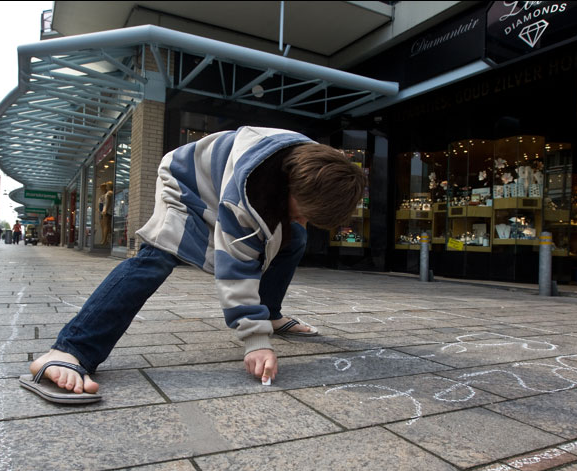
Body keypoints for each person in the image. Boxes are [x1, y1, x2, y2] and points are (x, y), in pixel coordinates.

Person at [20, 126, 365, 404]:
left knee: (296, 238)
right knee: (158, 256)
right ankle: (71, 349)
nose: (302, 217)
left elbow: (282, 225)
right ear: (291, 184)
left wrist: (294, 222)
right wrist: (255, 340)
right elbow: (236, 268)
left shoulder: (314, 164)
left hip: (225, 178)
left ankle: (270, 312)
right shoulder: (250, 192)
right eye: (301, 210)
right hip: (186, 182)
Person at [99, 181, 113, 246]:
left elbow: (108, 202)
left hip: (107, 211)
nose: (106, 187)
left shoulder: (109, 193)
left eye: (107, 185)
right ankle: (105, 239)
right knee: (106, 225)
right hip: (108, 211)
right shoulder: (109, 193)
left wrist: (105, 210)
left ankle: (104, 240)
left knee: (106, 225)